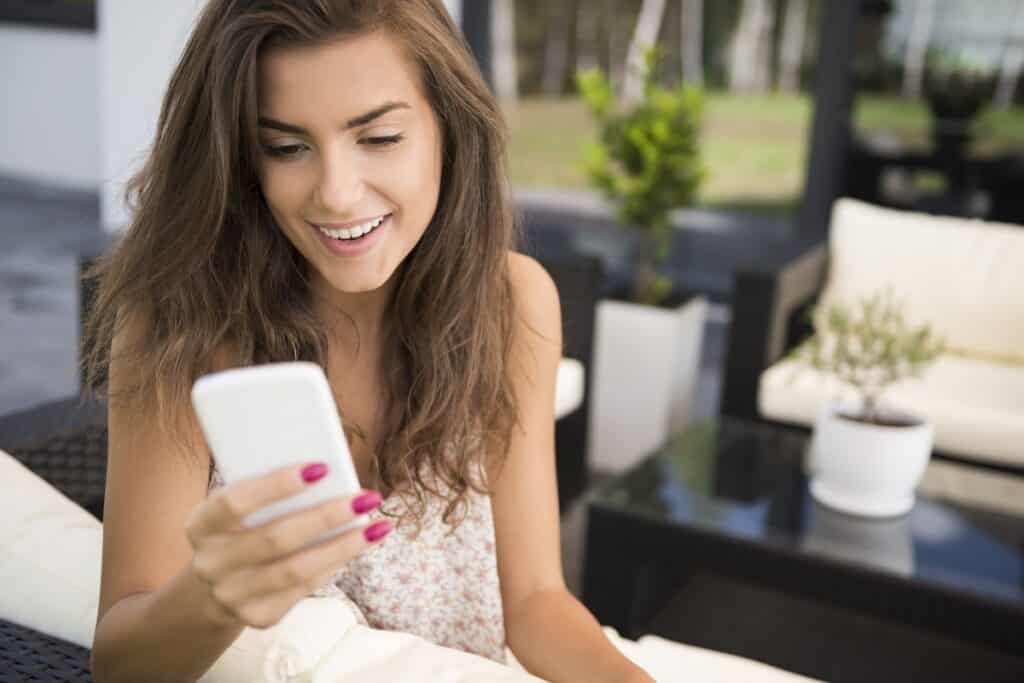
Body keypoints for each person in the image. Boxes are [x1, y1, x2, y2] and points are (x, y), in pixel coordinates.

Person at [84, 1, 655, 681]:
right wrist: (215, 594)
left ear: (450, 127)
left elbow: (533, 601)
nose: (337, 194)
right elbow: (120, 666)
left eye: (379, 138)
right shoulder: (179, 325)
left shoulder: (512, 305)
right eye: (287, 147)